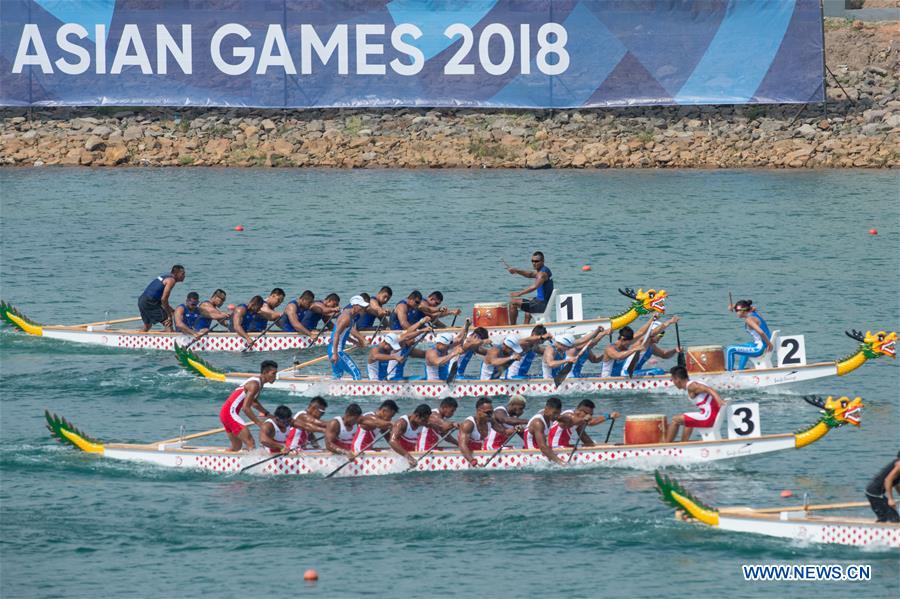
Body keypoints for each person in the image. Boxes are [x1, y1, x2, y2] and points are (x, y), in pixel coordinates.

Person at [218, 360, 278, 451]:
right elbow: (245, 408)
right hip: (230, 414)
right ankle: (255, 463)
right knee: (251, 442)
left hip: (225, 413)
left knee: (236, 447)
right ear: (265, 372)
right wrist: (259, 423)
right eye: (273, 373)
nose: (275, 377)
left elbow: (254, 402)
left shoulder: (259, 383)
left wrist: (268, 414)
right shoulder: (255, 384)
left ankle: (224, 461)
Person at [665, 366, 725, 442]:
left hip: (708, 417)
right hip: (711, 415)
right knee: (687, 419)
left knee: (675, 420)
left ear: (677, 379)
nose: (673, 382)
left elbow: (708, 389)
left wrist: (719, 400)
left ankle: (666, 445)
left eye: (672, 379)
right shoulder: (693, 383)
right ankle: (683, 443)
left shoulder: (691, 386)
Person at [328, 295, 370, 380]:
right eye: (361, 306)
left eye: (364, 307)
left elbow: (343, 334)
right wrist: (335, 354)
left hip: (332, 349)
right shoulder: (346, 318)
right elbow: (336, 334)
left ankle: (330, 389)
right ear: (354, 306)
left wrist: (355, 342)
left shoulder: (351, 315)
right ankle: (358, 391)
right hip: (337, 351)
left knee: (338, 375)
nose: (363, 309)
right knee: (357, 373)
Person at [548, 399, 619, 448]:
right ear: (579, 411)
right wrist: (608, 416)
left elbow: (583, 436)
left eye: (591, 414)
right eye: (587, 414)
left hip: (564, 447)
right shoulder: (569, 416)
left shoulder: (579, 421)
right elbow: (591, 422)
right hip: (556, 448)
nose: (590, 416)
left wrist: (593, 446)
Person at [506, 251, 553, 324]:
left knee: (512, 303)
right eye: (532, 261)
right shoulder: (544, 270)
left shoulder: (542, 274)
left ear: (543, 261)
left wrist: (519, 293)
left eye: (536, 261)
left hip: (541, 305)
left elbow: (535, 286)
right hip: (542, 302)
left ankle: (512, 328)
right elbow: (530, 274)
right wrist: (516, 270)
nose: (534, 263)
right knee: (529, 305)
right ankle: (526, 327)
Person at [726, 299, 774, 371]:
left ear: (742, 311)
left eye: (737, 311)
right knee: (747, 345)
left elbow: (761, 332)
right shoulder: (755, 313)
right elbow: (748, 307)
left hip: (759, 349)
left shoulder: (749, 319)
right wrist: (733, 307)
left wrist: (769, 344)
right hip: (762, 345)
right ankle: (740, 370)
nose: (736, 313)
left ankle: (729, 374)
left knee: (730, 349)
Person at [138, 264, 185, 331]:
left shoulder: (165, 276)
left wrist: (172, 310)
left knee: (147, 325)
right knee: (168, 322)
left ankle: (139, 337)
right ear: (176, 273)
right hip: (150, 302)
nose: (184, 276)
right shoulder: (171, 280)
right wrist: (169, 315)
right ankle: (170, 338)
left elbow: (161, 300)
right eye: (182, 274)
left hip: (142, 300)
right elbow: (163, 299)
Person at [523, 397, 565, 465]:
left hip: (540, 452)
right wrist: (560, 462)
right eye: (554, 413)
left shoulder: (547, 415)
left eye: (558, 413)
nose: (556, 416)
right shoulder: (538, 423)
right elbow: (543, 447)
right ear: (546, 409)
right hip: (533, 456)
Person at [458, 397, 494, 467]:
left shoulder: (490, 421)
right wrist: (472, 461)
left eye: (492, 412)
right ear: (478, 411)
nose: (490, 415)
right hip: (469, 456)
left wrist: (516, 428)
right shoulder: (468, 424)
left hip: (481, 453)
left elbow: (504, 431)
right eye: (488, 412)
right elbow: (462, 445)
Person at [865, 452, 900, 522]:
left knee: (886, 517)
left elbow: (895, 483)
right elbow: (887, 480)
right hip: (874, 493)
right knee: (894, 520)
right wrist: (890, 499)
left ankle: (881, 525)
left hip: (876, 493)